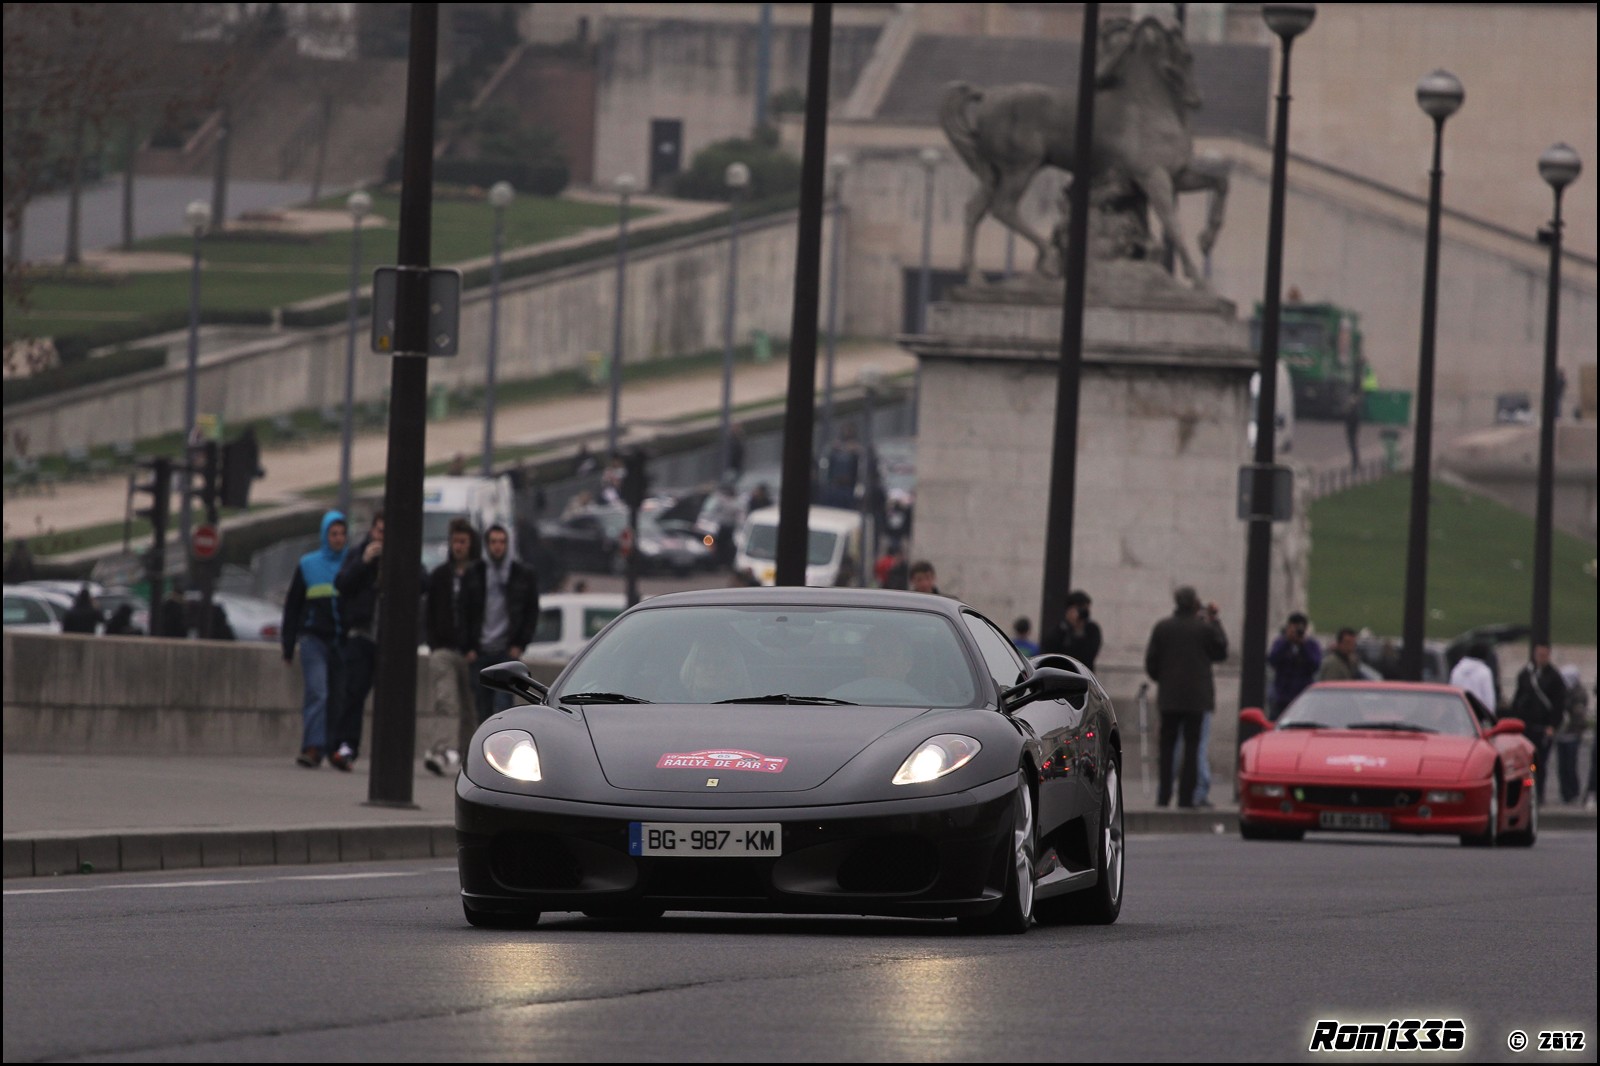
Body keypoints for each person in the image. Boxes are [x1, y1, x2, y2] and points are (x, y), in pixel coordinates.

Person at [1143, 587, 1227, 809]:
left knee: (1167, 747)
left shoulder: (1162, 628)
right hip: (1196, 699)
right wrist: (1215, 620)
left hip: (1170, 697)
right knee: (1192, 747)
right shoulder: (1204, 629)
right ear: (1193, 604)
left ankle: (1163, 795)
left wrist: (1164, 679)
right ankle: (1186, 797)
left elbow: (1151, 663)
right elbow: (1221, 651)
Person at [281, 510, 349, 768]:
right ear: (325, 535)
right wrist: (288, 646)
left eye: (342, 534)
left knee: (338, 696)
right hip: (313, 639)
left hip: (341, 640)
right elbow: (293, 606)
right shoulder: (308, 565)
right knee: (318, 692)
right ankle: (312, 747)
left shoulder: (351, 563)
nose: (338, 539)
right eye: (333, 534)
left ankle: (333, 747)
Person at [424, 518, 485, 775]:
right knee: (446, 700)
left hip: (472, 652)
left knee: (471, 708)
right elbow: (429, 612)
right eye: (455, 541)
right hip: (445, 649)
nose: (458, 546)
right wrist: (434, 642)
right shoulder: (440, 575)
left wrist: (476, 645)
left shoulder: (480, 575)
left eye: (463, 542)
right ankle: (442, 750)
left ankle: (470, 760)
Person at [333, 511, 390, 772]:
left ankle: (388, 754)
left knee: (391, 700)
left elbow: (422, 583)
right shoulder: (359, 554)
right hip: (361, 635)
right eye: (379, 531)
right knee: (354, 693)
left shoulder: (402, 554)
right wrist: (366, 562)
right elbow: (342, 584)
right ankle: (346, 746)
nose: (381, 537)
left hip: (390, 641)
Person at [474, 524, 541, 723]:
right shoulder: (477, 572)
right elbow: (466, 610)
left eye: (502, 542)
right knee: (481, 707)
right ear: (487, 545)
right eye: (493, 542)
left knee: (503, 709)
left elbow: (531, 612)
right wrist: (469, 645)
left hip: (506, 649)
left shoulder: (522, 574)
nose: (497, 547)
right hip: (481, 649)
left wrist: (519, 644)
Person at [1511, 643, 1567, 806]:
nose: (1541, 658)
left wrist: (1553, 725)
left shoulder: (1555, 677)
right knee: (1525, 763)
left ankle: (1539, 793)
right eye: (1539, 654)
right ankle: (1526, 793)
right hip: (1526, 726)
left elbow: (1559, 704)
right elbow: (1518, 698)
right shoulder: (1525, 674)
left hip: (1543, 727)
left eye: (1544, 655)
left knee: (1539, 763)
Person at [1266, 612, 1322, 718]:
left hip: (1303, 695)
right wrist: (1287, 641)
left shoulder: (1311, 645)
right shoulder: (1280, 643)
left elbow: (1315, 665)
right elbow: (1273, 660)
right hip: (1282, 696)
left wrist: (1303, 645)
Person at [1040, 590, 1101, 668]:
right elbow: (1051, 652)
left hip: (1084, 675)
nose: (1083, 613)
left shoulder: (1092, 630)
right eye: (1080, 609)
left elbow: (1089, 655)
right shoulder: (1059, 631)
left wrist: (1079, 629)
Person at [1554, 665, 1587, 805]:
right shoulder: (1560, 691)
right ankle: (1565, 792)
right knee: (1561, 766)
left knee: (1570, 764)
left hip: (1573, 734)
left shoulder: (1579, 693)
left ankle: (1573, 791)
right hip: (1561, 734)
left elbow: (1578, 713)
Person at [1448, 642, 1497, 715]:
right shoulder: (1484, 671)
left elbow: (1451, 690)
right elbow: (1488, 697)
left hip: (1458, 711)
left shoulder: (1457, 669)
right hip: (1478, 714)